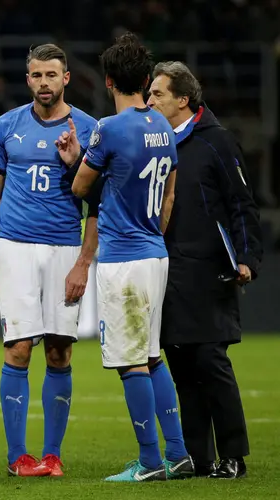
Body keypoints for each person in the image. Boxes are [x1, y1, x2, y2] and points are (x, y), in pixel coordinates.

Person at [70, 33, 193, 482]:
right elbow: (170, 194)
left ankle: (149, 462)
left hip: (123, 259)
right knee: (152, 353)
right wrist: (152, 234)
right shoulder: (163, 126)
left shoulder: (109, 128)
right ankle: (177, 453)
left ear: (107, 81)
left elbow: (81, 187)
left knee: (130, 361)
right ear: (145, 79)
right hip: (154, 253)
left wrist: (78, 162)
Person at [0, 44, 100, 478]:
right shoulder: (6, 126)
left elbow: (98, 203)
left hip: (65, 247)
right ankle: (18, 458)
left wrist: (85, 261)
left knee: (60, 352)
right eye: (36, 75)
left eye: (52, 74)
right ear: (27, 79)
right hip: (14, 248)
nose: (44, 82)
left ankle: (52, 455)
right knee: (18, 349)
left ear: (66, 78)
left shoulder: (89, 128)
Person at [147, 61, 262, 479]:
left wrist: (247, 258)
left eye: (157, 94)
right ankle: (197, 457)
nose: (149, 100)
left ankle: (234, 455)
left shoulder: (217, 142)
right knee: (180, 364)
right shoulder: (154, 144)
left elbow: (242, 204)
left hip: (211, 269)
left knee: (211, 360)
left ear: (183, 100)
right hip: (166, 271)